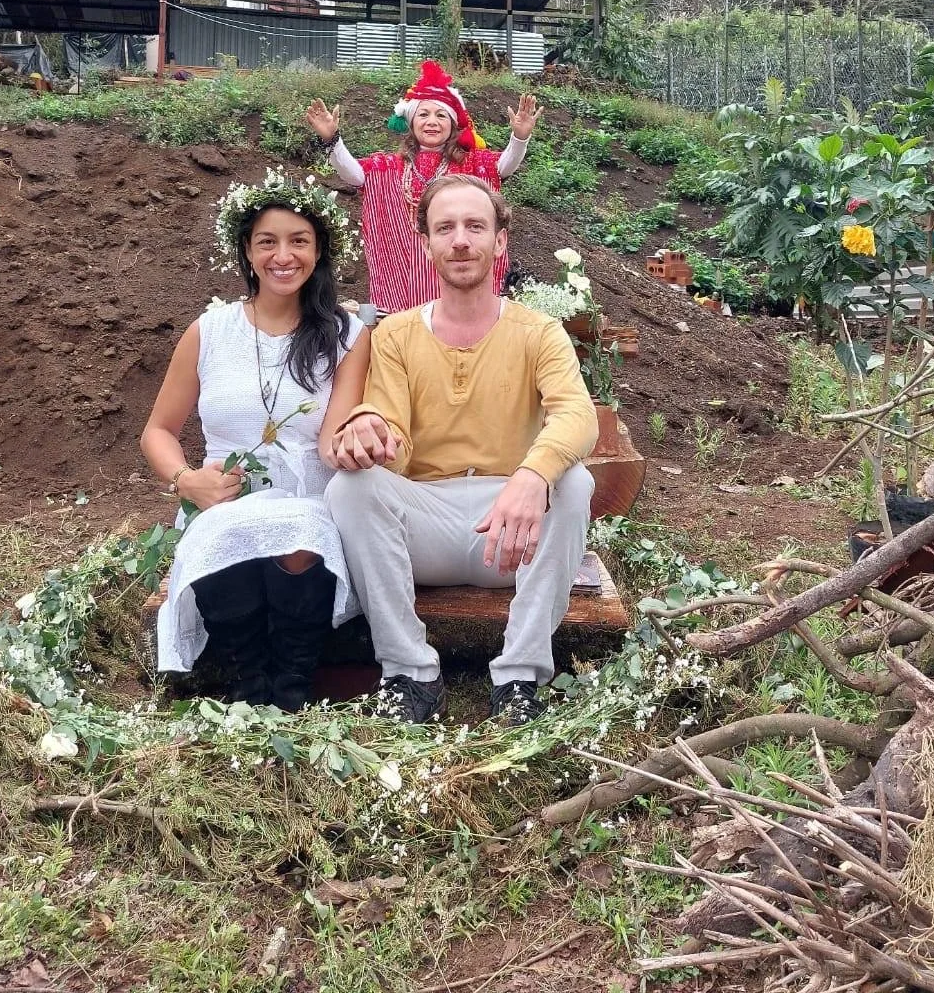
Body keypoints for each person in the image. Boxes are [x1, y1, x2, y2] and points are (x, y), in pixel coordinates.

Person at [324, 175, 597, 726]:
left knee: (574, 482)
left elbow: (577, 415)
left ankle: (519, 677)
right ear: (426, 243)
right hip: (427, 520)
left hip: (513, 531)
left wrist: (531, 476)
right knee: (350, 487)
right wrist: (368, 427)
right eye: (445, 228)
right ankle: (409, 673)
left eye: (476, 226)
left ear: (500, 241)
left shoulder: (539, 332)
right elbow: (389, 424)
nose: (461, 240)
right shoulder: (396, 334)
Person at [140, 170, 370, 709]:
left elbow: (333, 438)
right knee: (222, 535)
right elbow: (157, 430)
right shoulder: (211, 330)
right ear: (246, 251)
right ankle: (247, 681)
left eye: (299, 241)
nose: (282, 256)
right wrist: (186, 480)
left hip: (306, 494)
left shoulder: (345, 336)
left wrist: (367, 437)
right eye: (267, 242)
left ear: (319, 252)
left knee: (296, 537)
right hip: (221, 492)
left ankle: (291, 686)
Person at [305, 59, 541, 314]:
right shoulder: (389, 166)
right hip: (401, 282)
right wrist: (332, 139)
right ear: (411, 121)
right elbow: (354, 175)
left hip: (453, 260)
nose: (432, 121)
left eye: (441, 115)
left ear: (452, 124)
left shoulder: (472, 163)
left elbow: (503, 167)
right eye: (424, 114)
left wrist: (519, 138)